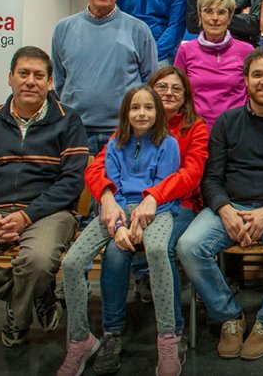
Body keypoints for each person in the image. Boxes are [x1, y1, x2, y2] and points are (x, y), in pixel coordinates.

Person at [177, 47, 263, 361]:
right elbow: (211, 178)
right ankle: (229, 316)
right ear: (245, 80)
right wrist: (225, 209)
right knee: (188, 245)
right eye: (257, 74)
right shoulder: (227, 122)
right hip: (231, 206)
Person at [0, 46, 88, 347]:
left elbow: (71, 181)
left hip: (48, 213)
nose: (30, 81)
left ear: (51, 83)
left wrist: (27, 216)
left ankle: (18, 321)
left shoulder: (69, 121)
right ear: (10, 78)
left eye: (39, 76)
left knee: (36, 263)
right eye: (23, 73)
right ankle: (34, 293)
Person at [82, 66, 208, 373]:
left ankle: (172, 334)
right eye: (161, 87)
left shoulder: (195, 127)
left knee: (161, 248)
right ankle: (112, 334)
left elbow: (190, 175)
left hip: (179, 207)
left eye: (176, 89)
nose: (168, 93)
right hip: (126, 206)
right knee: (115, 251)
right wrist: (108, 198)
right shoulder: (132, 123)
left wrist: (153, 197)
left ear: (185, 97)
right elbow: (96, 169)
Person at [58, 85, 181, 376]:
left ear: (158, 112)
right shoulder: (115, 144)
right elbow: (113, 192)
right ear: (125, 112)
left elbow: (163, 189)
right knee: (72, 263)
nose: (141, 113)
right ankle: (81, 340)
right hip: (118, 209)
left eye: (148, 107)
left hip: (158, 209)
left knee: (155, 250)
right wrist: (118, 227)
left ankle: (168, 338)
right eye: (135, 107)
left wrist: (138, 223)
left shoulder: (169, 143)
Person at [52, 0, 158, 154]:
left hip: (125, 132)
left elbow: (150, 82)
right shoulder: (63, 29)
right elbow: (59, 82)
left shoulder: (139, 30)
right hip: (76, 132)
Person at [175, 0, 254, 130]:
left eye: (221, 12)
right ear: (199, 15)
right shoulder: (185, 50)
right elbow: (178, 92)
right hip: (196, 130)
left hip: (236, 129)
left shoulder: (246, 51)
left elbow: (252, 93)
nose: (215, 18)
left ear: (230, 17)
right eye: (208, 11)